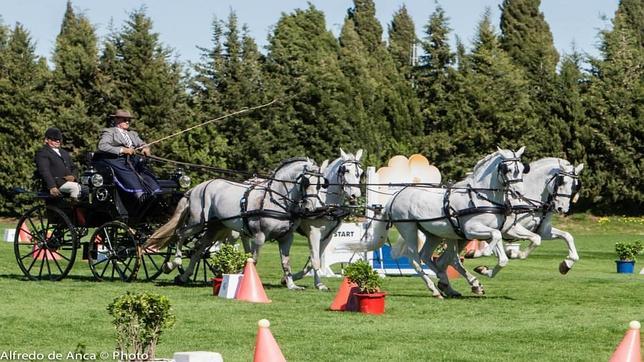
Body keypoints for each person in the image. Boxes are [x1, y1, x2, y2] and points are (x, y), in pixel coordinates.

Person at [96, 109, 160, 200]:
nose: (127, 121)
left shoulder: (133, 134)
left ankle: (155, 194)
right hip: (117, 160)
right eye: (124, 119)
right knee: (128, 173)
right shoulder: (109, 132)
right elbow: (102, 146)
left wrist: (145, 148)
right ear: (117, 120)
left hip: (133, 161)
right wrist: (123, 150)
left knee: (146, 174)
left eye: (129, 120)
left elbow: (142, 144)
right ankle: (140, 195)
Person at [35, 127, 81, 201]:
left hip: (69, 182)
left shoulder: (64, 153)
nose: (57, 141)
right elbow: (44, 171)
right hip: (56, 183)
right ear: (46, 140)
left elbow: (74, 167)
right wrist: (52, 186)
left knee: (86, 189)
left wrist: (73, 176)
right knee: (76, 188)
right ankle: (75, 210)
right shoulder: (43, 153)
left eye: (59, 140)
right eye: (54, 139)